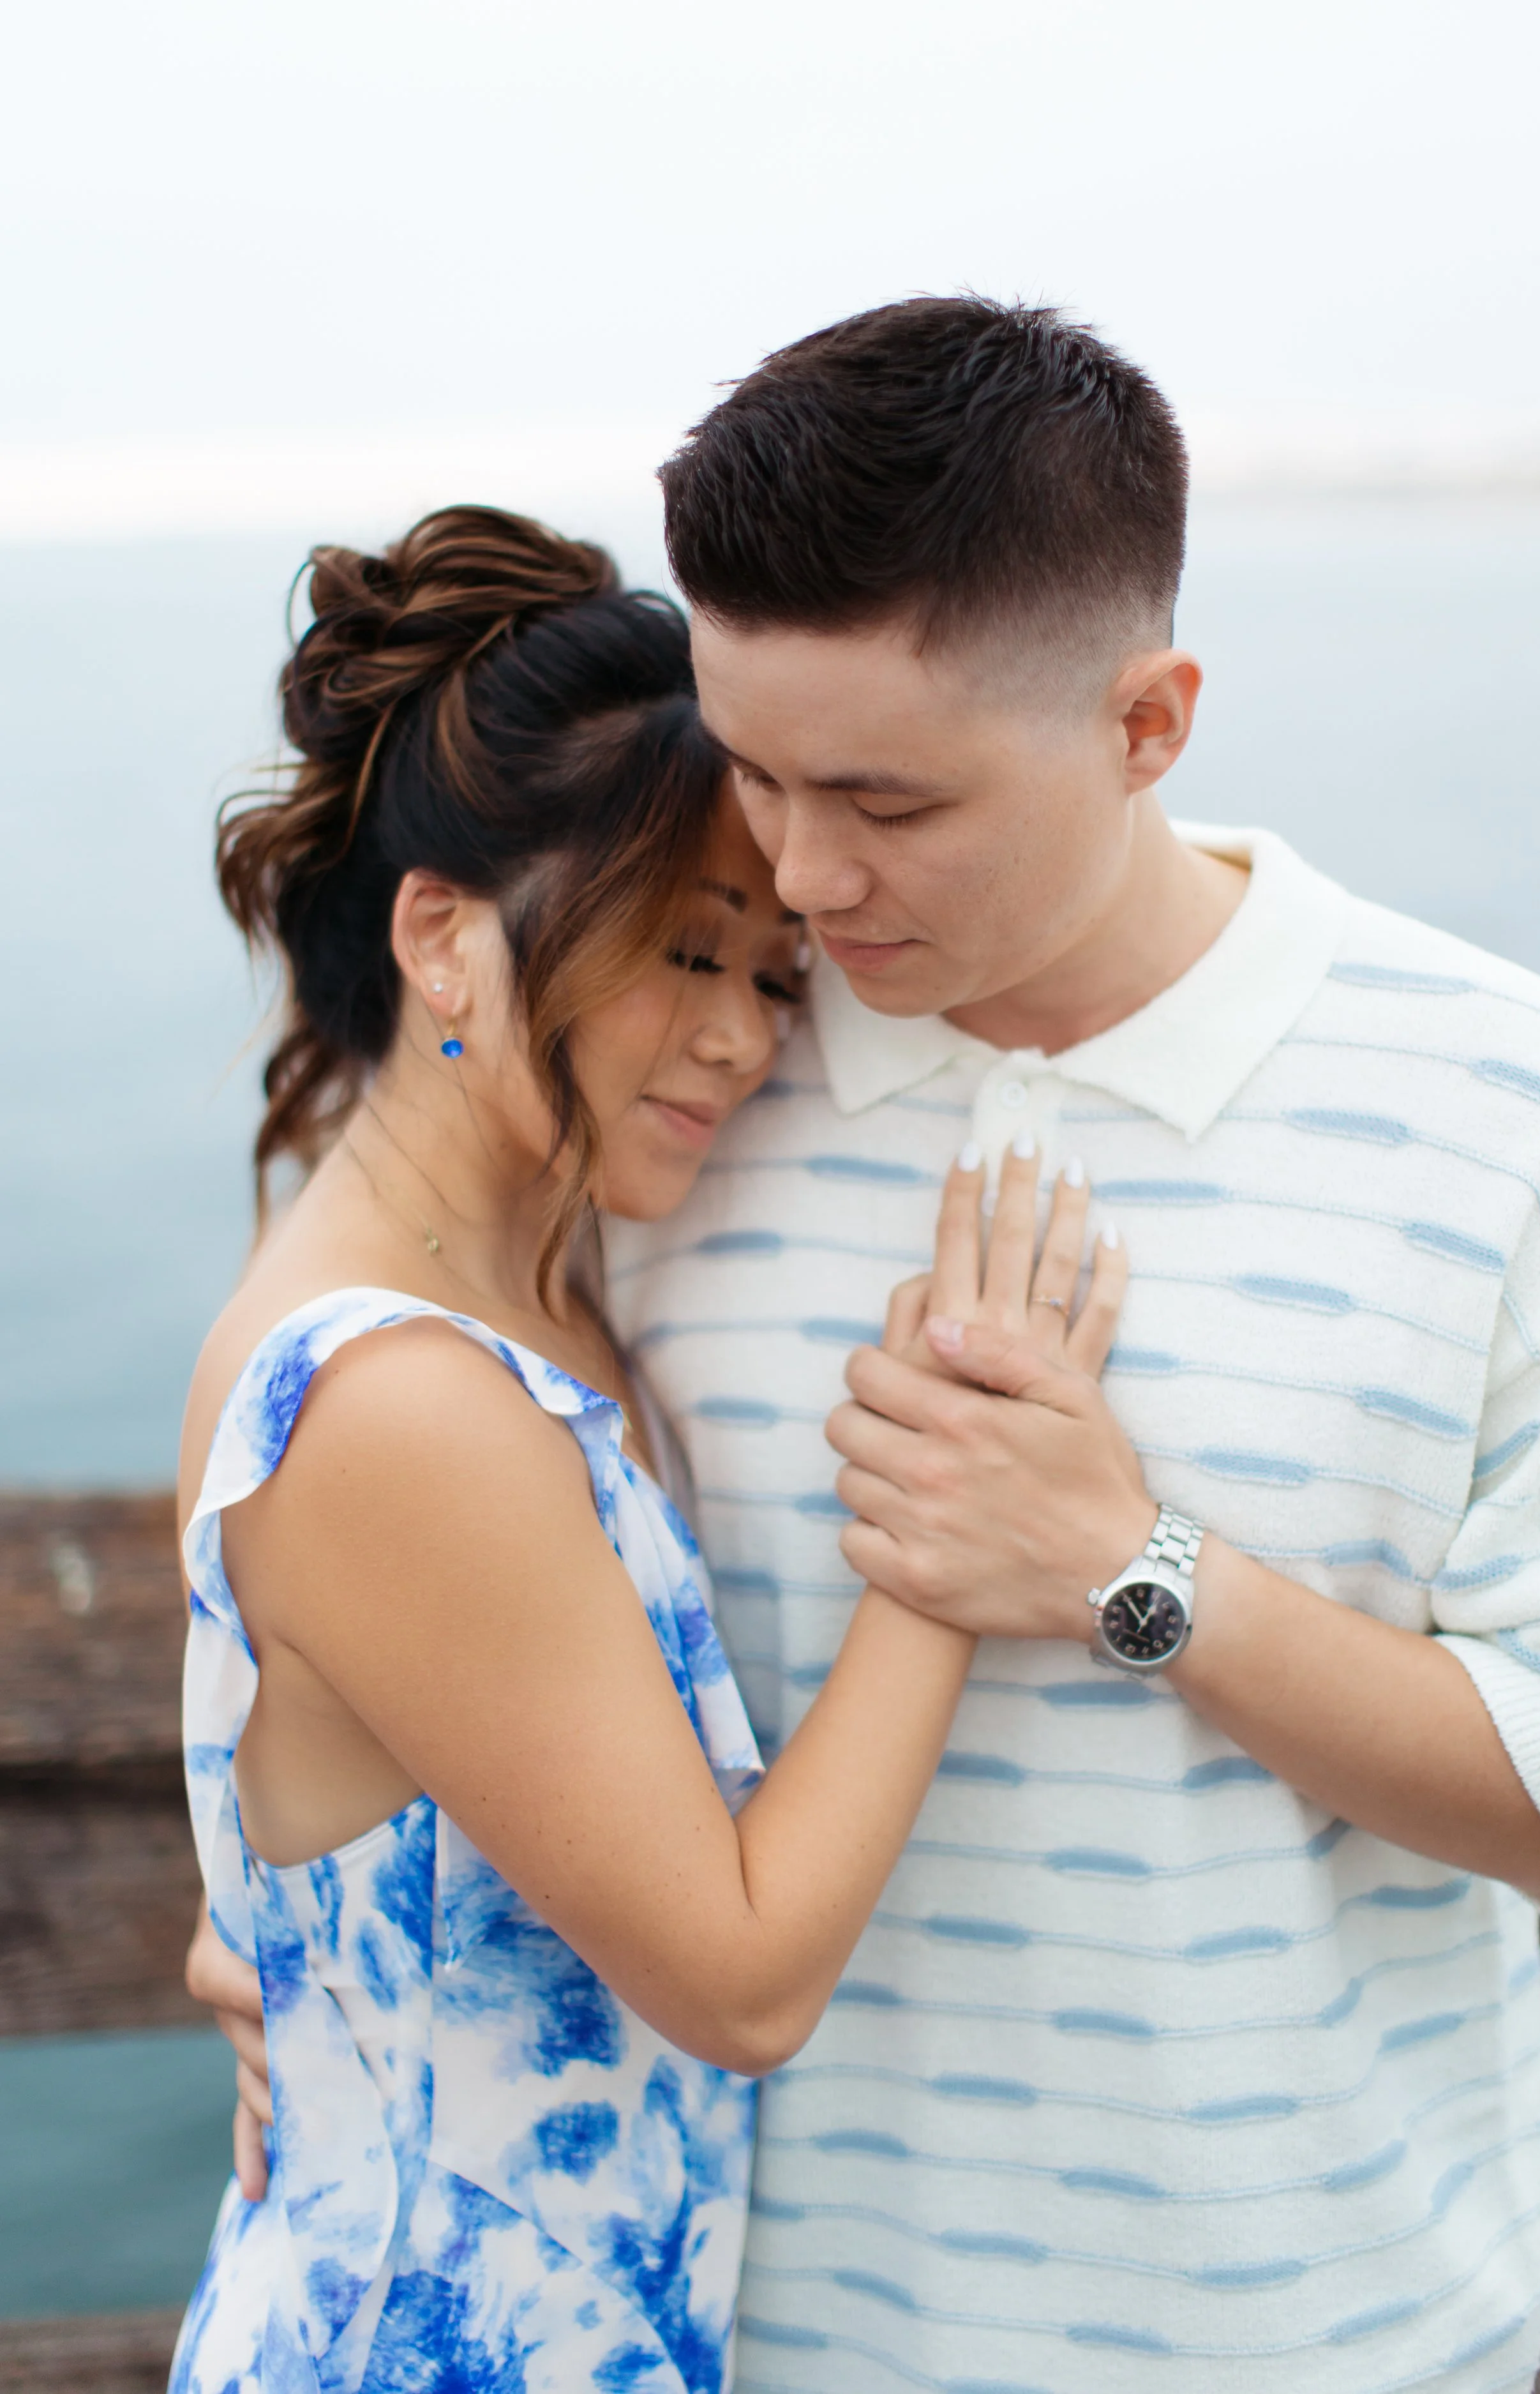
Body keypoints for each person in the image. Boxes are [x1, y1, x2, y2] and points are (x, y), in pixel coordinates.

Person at [194, 302, 1540, 2390]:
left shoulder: (1501, 1108)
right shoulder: (682, 1082)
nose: (803, 877)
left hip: (1325, 2345)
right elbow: (371, 1495)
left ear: (1145, 724)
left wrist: (1134, 1578)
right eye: (751, 775)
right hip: (758, 2349)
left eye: (882, 799)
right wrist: (291, 1946)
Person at [167, 499, 1126, 2394]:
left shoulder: (520, 1273)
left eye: (771, 975)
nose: (745, 1040)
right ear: (443, 938)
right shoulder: (394, 1397)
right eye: (687, 955)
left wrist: (277, 1945)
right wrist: (956, 1511)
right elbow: (739, 1975)